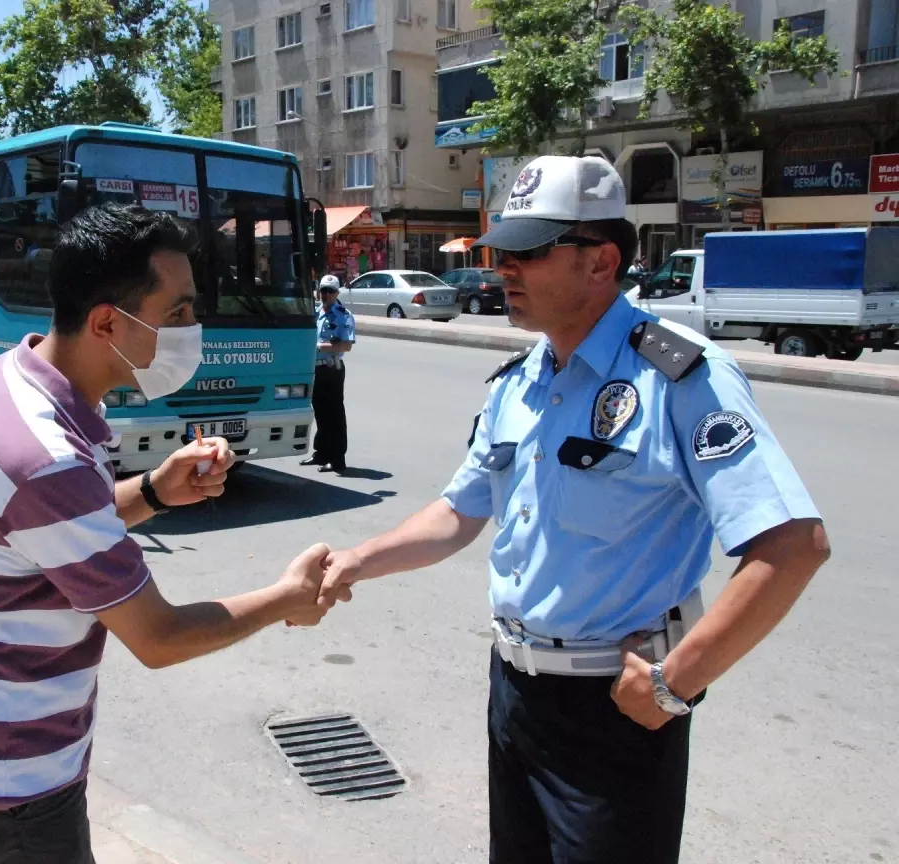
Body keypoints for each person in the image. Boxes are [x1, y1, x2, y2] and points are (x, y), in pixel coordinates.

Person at [317, 155, 830, 863]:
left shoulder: (679, 377)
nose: (503, 268)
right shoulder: (519, 380)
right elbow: (459, 513)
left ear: (601, 261)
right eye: (502, 250)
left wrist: (674, 685)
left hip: (614, 709)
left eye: (528, 252)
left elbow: (793, 545)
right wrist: (355, 560)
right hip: (515, 694)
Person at [0, 204, 349, 864]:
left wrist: (154, 491)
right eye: (178, 312)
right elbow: (158, 637)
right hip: (10, 784)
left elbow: (45, 536)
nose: (193, 330)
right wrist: (286, 598)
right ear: (107, 322)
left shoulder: (4, 380)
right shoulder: (45, 458)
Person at [301, 274, 355, 474]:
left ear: (337, 293)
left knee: (335, 414)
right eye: (323, 290)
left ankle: (337, 458)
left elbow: (346, 345)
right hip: (315, 368)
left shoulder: (343, 315)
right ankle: (321, 453)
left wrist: (319, 346)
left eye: (330, 291)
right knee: (319, 411)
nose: (326, 294)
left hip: (332, 368)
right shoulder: (315, 313)